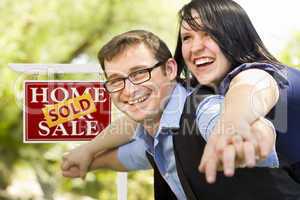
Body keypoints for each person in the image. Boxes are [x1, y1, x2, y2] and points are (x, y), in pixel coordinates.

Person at [62, 0, 300, 183]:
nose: (196, 47)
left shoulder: (264, 75)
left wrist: (233, 125)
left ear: (235, 34)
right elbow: (137, 131)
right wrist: (88, 152)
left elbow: (252, 87)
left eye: (210, 34)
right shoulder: (194, 95)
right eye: (187, 37)